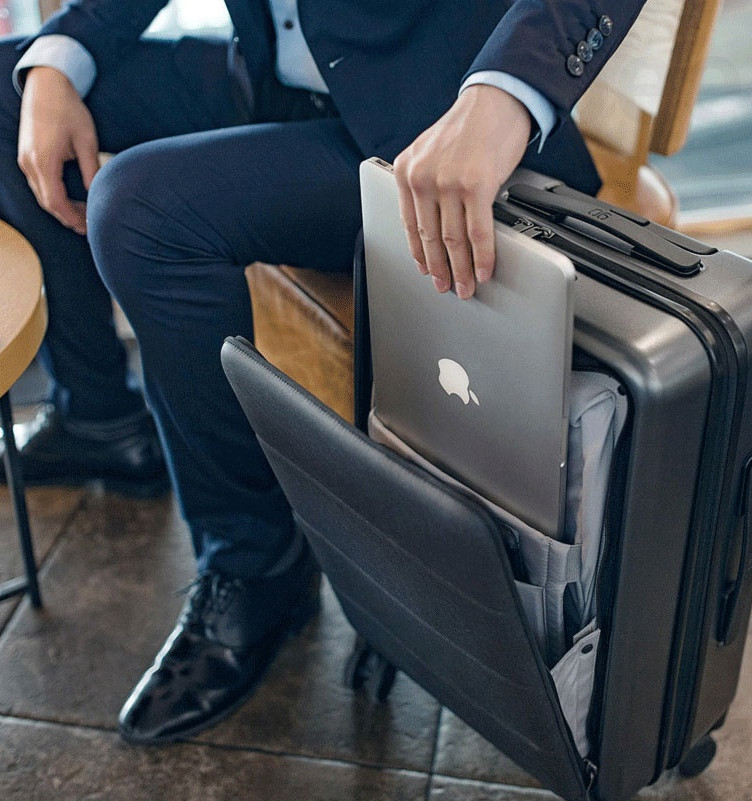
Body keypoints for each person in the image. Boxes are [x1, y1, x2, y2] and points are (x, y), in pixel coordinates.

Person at [0, 0, 647, 744]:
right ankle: (100, 421)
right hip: (275, 79)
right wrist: (61, 57)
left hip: (428, 118)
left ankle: (255, 565)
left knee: (137, 209)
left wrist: (503, 97)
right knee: (12, 86)